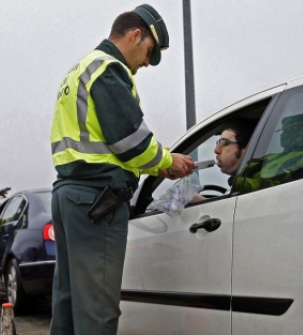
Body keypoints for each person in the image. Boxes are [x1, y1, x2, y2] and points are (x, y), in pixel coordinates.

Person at [49, 4, 194, 334]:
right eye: (148, 52)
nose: (145, 62)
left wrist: (158, 164)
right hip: (97, 201)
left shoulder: (78, 71)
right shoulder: (108, 68)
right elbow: (130, 140)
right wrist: (168, 160)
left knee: (69, 301)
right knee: (97, 309)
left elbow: (106, 144)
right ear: (135, 35)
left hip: (71, 195)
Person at [236, 110, 303, 193]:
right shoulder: (268, 157)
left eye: (288, 130)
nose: (282, 135)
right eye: (283, 130)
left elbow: (287, 192)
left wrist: (242, 184)